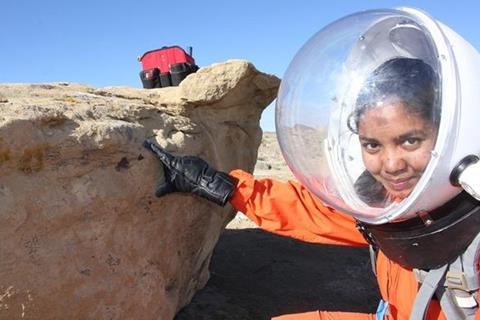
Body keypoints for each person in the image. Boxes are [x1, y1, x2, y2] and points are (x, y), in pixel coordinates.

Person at [144, 8, 480, 320]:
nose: (391, 164)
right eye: (372, 144)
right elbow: (312, 211)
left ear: (454, 132)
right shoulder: (391, 205)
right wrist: (217, 184)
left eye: (410, 140)